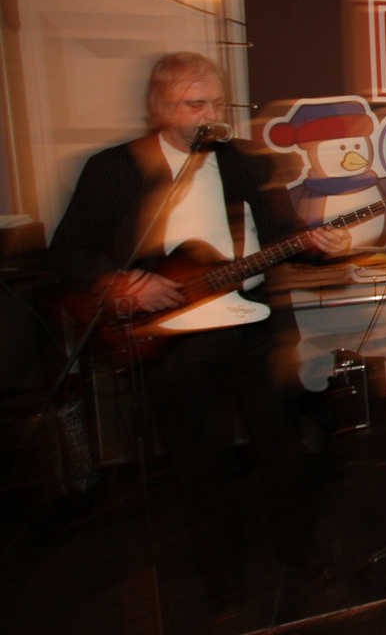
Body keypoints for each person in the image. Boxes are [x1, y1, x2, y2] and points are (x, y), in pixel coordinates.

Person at [49, 52, 351, 614]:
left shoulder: (246, 163)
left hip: (254, 329)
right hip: (173, 341)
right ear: (160, 107)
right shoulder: (114, 169)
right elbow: (68, 250)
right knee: (201, 467)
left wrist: (318, 246)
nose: (211, 115)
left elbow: (282, 237)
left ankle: (299, 552)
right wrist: (121, 283)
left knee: (282, 451)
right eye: (195, 104)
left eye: (217, 103)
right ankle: (219, 578)